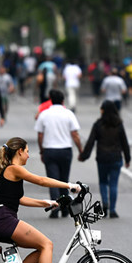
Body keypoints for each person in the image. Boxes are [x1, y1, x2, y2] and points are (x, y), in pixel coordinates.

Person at [0, 137, 80, 263]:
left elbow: (19, 199)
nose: (29, 156)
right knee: (47, 244)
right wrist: (69, 185)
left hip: (2, 219)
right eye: (27, 152)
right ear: (19, 152)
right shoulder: (14, 169)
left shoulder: (11, 172)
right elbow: (41, 180)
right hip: (4, 220)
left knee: (42, 249)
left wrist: (46, 203)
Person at [35, 90, 83, 218]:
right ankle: (65, 208)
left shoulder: (44, 114)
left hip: (49, 150)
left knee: (52, 181)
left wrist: (41, 150)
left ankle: (55, 207)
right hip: (65, 151)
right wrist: (80, 149)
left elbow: (40, 135)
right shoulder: (68, 114)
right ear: (63, 101)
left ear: (50, 99)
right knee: (64, 180)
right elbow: (75, 134)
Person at [78, 101, 130, 218]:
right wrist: (128, 158)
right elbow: (124, 142)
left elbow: (91, 142)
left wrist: (84, 156)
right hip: (116, 157)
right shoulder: (119, 124)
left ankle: (105, 203)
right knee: (113, 184)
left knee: (103, 182)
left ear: (103, 110)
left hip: (102, 158)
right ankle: (112, 209)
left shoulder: (98, 124)